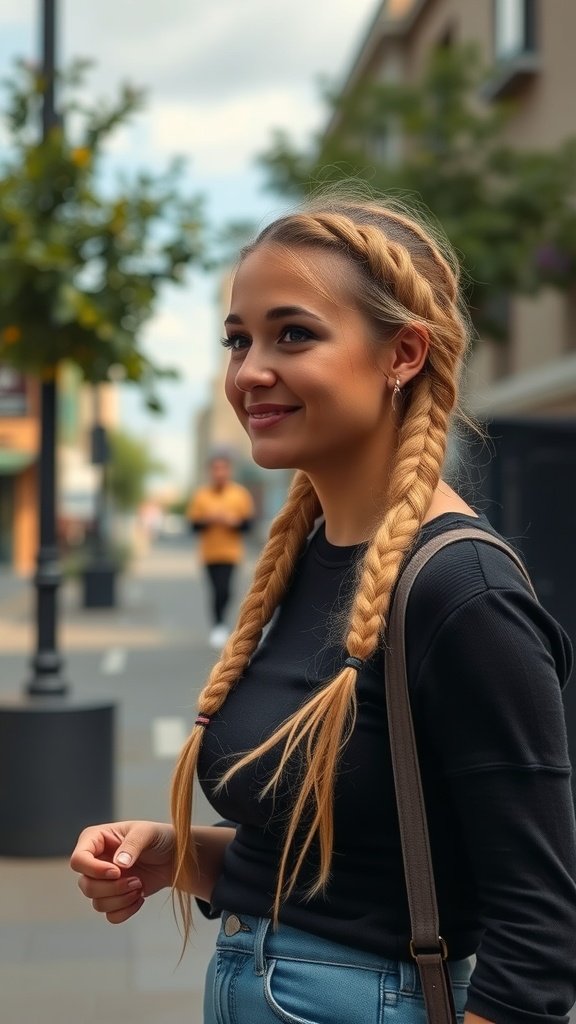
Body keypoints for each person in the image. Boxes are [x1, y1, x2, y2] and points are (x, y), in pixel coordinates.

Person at [70, 193, 576, 1024]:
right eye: (238, 340)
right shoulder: (314, 557)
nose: (249, 370)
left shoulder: (463, 590)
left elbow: (538, 934)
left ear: (403, 353)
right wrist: (181, 856)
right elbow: (356, 863)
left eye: (293, 334)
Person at [186, 453, 255, 649]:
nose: (219, 473)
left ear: (229, 471)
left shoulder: (239, 494)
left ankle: (220, 624)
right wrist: (208, 520)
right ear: (210, 472)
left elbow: (248, 525)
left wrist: (233, 522)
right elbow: (193, 526)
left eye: (223, 469)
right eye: (215, 469)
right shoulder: (201, 495)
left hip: (231, 553)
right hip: (209, 554)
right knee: (215, 590)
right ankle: (218, 626)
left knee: (226, 590)